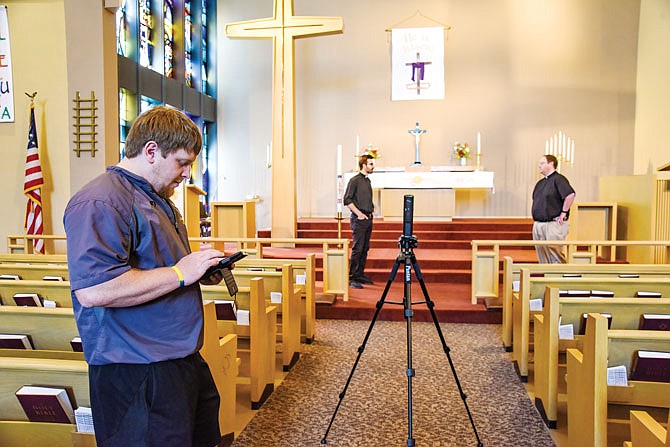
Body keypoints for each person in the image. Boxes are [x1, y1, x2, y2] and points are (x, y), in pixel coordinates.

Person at [63, 106, 227, 447]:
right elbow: (95, 289)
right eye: (182, 162)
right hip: (137, 366)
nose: (186, 174)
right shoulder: (101, 200)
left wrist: (198, 273)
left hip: (176, 357)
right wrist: (182, 272)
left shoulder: (155, 197)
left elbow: (161, 268)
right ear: (151, 151)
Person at [531, 154, 576, 263]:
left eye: (542, 163)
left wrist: (563, 213)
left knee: (555, 255)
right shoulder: (541, 183)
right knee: (542, 255)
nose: (539, 166)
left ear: (551, 164)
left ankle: (557, 278)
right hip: (539, 224)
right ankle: (547, 278)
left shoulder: (559, 179)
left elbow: (570, 194)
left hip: (552, 224)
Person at [344, 154, 375, 288]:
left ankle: (360, 274)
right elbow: (347, 200)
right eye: (370, 164)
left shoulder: (367, 181)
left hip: (368, 218)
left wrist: (371, 208)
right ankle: (352, 277)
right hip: (359, 219)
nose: (373, 166)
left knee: (365, 248)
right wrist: (359, 214)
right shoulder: (354, 180)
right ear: (363, 165)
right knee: (358, 248)